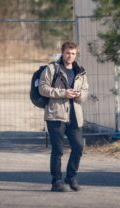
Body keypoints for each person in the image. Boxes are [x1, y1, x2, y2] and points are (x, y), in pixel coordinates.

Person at [38, 42, 89, 192]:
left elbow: (85, 92)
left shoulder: (80, 71)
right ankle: (57, 181)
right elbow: (42, 88)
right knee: (58, 150)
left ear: (76, 54)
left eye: (73, 53)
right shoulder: (52, 68)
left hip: (75, 116)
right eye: (68, 53)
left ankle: (71, 176)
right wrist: (63, 93)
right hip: (56, 116)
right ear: (62, 52)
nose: (70, 56)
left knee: (78, 147)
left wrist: (79, 95)